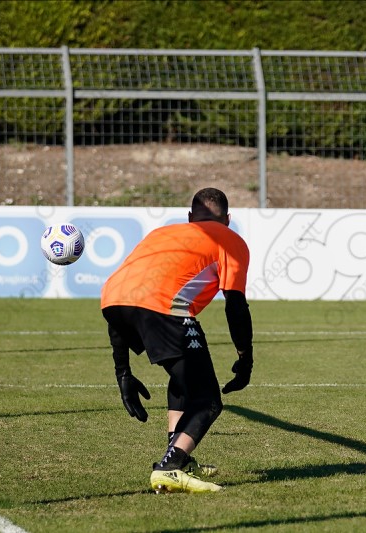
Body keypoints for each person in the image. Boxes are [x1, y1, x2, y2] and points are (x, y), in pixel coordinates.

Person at [101, 187, 254, 493]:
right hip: (166, 310)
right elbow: (235, 305)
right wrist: (245, 357)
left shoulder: (161, 234)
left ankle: (179, 457)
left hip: (112, 302)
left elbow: (124, 296)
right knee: (208, 400)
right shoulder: (229, 239)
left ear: (189, 217)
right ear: (228, 219)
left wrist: (123, 372)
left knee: (183, 381)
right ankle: (169, 467)